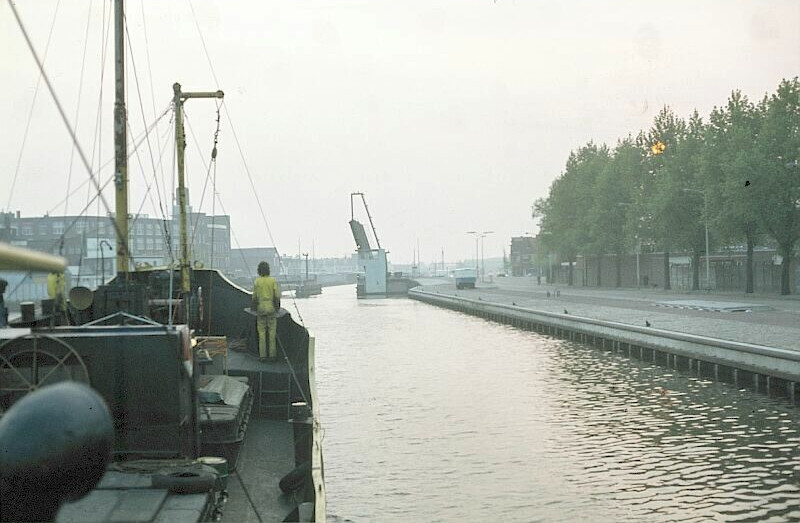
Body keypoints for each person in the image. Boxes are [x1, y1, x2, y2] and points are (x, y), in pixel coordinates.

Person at [252, 261, 281, 360]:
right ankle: (272, 356)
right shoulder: (273, 281)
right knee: (272, 333)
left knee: (262, 333)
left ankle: (262, 356)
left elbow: (254, 297)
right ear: (268, 270)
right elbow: (277, 296)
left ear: (259, 270)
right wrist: (277, 308)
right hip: (271, 308)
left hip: (261, 309)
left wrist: (254, 308)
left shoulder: (257, 281)